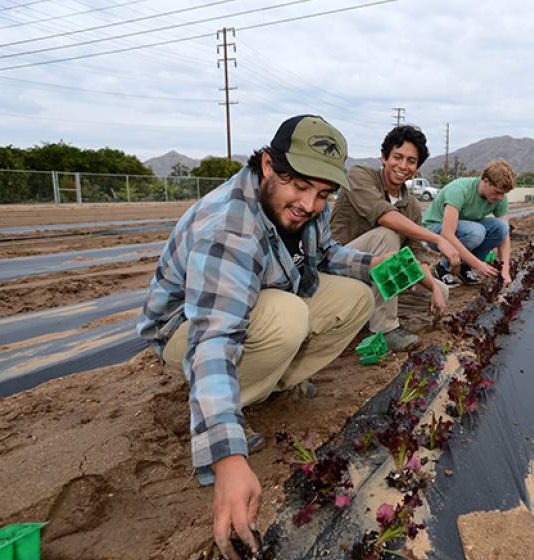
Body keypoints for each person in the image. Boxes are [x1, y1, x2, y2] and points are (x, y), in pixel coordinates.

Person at [137, 115, 386, 560]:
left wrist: (392, 270)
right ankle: (231, 412)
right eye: (300, 186)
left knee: (356, 298)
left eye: (323, 193)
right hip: (186, 330)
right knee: (287, 316)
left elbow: (328, 254)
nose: (310, 204)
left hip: (256, 304)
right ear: (269, 165)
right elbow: (213, 340)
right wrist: (228, 460)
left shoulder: (309, 208)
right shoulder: (231, 228)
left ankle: (264, 387)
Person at [331, 125, 460, 351]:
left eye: (411, 161)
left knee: (441, 290)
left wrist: (435, 288)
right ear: (383, 157)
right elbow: (384, 215)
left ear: (417, 167)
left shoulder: (410, 205)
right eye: (397, 157)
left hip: (376, 277)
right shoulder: (359, 176)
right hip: (341, 268)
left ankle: (366, 314)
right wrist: (438, 239)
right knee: (387, 235)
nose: (403, 166)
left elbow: (417, 256)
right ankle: (385, 328)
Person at [422, 159, 516, 287]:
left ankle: (464, 267)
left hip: (464, 230)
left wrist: (505, 270)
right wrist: (479, 265)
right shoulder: (459, 190)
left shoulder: (500, 198)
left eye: (503, 194)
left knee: (501, 227)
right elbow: (447, 234)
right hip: (434, 231)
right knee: (476, 232)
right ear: (485, 181)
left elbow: (505, 236)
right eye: (497, 192)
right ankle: (443, 267)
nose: (500, 198)